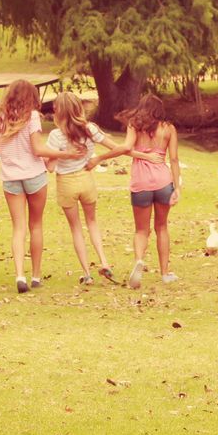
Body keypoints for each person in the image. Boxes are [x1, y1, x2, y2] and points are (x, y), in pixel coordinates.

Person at [0, 80, 84, 294]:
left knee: (18, 228)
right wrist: (65, 154)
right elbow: (38, 150)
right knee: (36, 225)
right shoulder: (31, 117)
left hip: (11, 177)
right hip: (33, 175)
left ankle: (19, 274)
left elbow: (0, 148)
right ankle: (35, 275)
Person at [88, 94, 180, 289]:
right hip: (163, 182)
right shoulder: (169, 129)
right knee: (162, 227)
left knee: (141, 230)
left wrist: (99, 159)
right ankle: (165, 273)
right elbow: (173, 159)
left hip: (141, 183)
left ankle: (139, 260)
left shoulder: (134, 125)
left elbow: (125, 148)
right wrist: (177, 187)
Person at [44, 92, 120, 285]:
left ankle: (87, 274)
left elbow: (50, 167)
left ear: (57, 111)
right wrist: (96, 160)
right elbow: (116, 147)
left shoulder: (55, 136)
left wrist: (60, 154)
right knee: (92, 222)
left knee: (76, 228)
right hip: (86, 180)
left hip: (66, 183)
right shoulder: (90, 129)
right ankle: (104, 261)